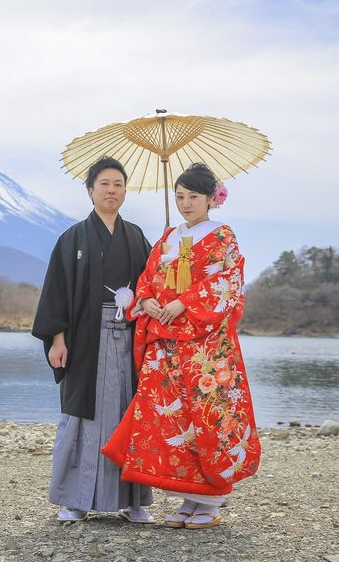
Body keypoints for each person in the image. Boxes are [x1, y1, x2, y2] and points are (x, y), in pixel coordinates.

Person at [102, 162, 261, 529]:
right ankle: (190, 497)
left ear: (212, 199)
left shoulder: (222, 235)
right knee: (175, 417)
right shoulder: (169, 237)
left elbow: (228, 283)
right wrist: (147, 301)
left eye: (194, 197)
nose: (186, 204)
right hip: (167, 340)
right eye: (180, 196)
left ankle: (211, 501)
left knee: (208, 415)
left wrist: (183, 303)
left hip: (206, 347)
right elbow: (148, 277)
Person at [32, 156, 154, 522]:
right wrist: (57, 339)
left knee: (128, 414)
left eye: (118, 184)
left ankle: (133, 502)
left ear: (125, 192)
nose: (111, 191)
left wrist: (166, 259)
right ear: (90, 191)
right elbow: (56, 291)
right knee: (82, 415)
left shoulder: (136, 237)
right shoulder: (73, 238)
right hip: (85, 338)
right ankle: (76, 500)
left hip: (128, 335)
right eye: (104, 184)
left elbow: (152, 284)